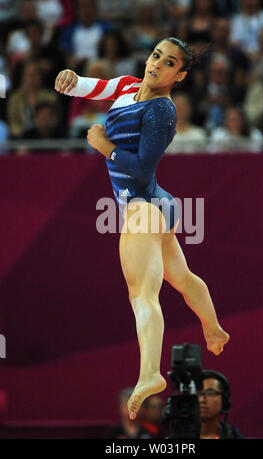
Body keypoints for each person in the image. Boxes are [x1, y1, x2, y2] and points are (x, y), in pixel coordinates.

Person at [55, 37, 230, 420]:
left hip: (144, 205)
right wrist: (70, 78)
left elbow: (142, 168)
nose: (156, 65)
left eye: (168, 63)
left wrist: (104, 145)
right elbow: (90, 86)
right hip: (157, 204)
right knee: (180, 276)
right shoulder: (129, 86)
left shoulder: (162, 112)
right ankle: (214, 330)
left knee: (142, 293)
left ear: (178, 75)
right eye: (155, 56)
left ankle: (150, 372)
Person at [198, 369, 243, 439]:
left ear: (224, 399)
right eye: (198, 394)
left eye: (210, 393)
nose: (201, 400)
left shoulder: (234, 436)